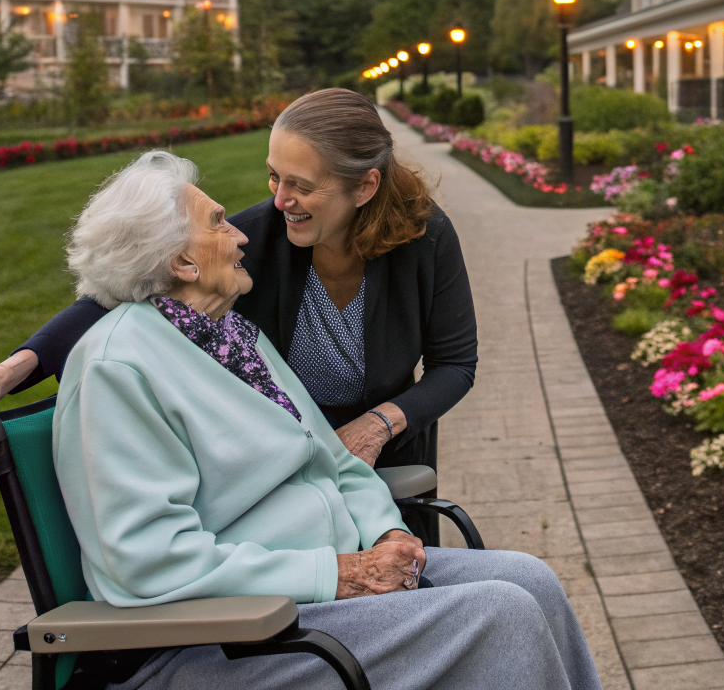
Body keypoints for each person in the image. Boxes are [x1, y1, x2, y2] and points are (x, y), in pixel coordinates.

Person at [54, 150, 600, 690]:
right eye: (219, 224)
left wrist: (387, 532)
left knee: (531, 579)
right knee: (500, 614)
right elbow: (146, 562)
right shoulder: (118, 367)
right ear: (181, 263)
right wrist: (338, 574)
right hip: (232, 634)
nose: (243, 236)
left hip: (321, 589)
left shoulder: (235, 340)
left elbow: (336, 462)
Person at [0, 89, 475, 541]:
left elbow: (454, 364)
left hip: (382, 457)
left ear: (365, 186)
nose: (280, 200)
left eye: (302, 185)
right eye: (274, 176)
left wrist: (380, 425)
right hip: (278, 478)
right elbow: (112, 295)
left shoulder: (424, 241)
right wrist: (2, 375)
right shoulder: (261, 235)